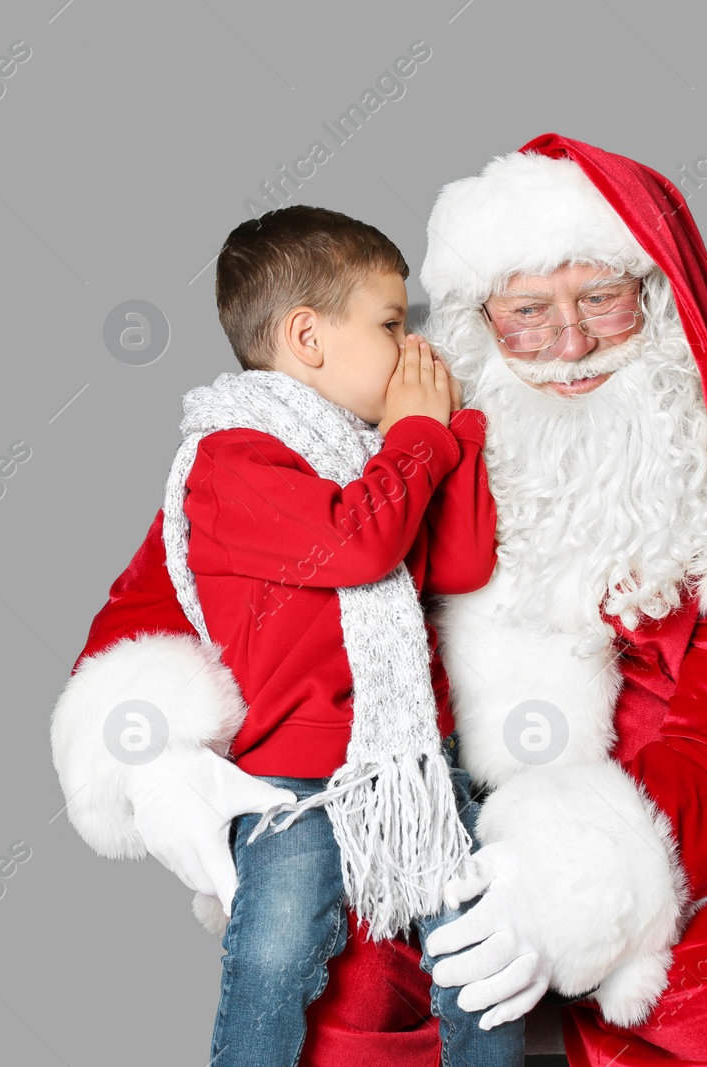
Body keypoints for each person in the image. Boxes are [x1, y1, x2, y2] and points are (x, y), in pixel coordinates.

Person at [51, 135, 707, 1066]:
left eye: (601, 299)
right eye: (528, 313)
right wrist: (156, 763)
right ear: (479, 318)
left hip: (647, 836)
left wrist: (577, 878)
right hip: (394, 819)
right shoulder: (369, 423)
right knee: (330, 1014)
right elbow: (175, 584)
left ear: (659, 298)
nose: (572, 343)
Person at [54, 204, 524, 1067]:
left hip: (414, 761)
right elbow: (357, 541)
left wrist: (457, 429)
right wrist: (418, 438)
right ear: (308, 337)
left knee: (479, 955)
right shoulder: (232, 458)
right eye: (390, 323)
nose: (407, 343)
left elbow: (455, 564)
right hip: (289, 776)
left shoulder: (375, 454)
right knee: (274, 956)